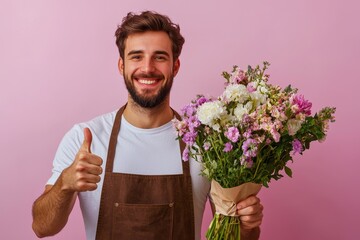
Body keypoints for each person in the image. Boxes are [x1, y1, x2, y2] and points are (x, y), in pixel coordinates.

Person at [32, 11, 264, 240]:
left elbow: (232, 236)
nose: (147, 67)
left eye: (160, 57)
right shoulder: (86, 138)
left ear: (175, 66)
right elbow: (42, 227)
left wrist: (247, 226)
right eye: (136, 56)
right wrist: (65, 184)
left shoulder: (207, 145)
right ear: (121, 66)